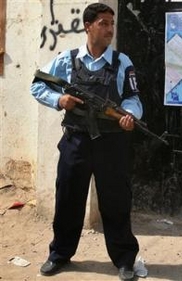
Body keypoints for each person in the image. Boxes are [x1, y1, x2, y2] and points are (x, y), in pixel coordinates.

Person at [30, 3, 143, 281]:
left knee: (116, 202)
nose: (109, 29)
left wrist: (130, 115)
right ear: (88, 26)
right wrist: (59, 100)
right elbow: (37, 84)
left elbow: (133, 98)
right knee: (68, 199)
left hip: (112, 144)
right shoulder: (67, 60)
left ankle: (125, 260)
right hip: (75, 141)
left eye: (112, 23)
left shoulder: (122, 62)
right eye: (103, 23)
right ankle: (59, 254)